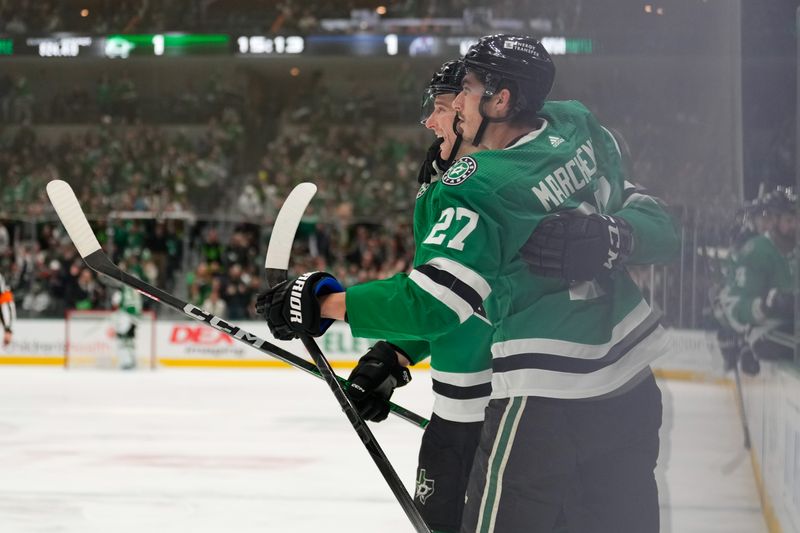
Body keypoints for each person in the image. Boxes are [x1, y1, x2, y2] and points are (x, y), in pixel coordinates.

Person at [258, 34, 679, 533]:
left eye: (458, 98)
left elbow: (439, 301)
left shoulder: (474, 184)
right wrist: (395, 352)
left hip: (532, 395)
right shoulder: (573, 125)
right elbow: (468, 287)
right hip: (625, 377)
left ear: (501, 101)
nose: (446, 113)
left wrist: (324, 302)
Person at [723, 187, 796, 372]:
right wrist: (765, 305)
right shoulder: (756, 251)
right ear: (774, 221)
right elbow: (734, 307)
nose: (796, 225)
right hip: (769, 334)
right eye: (789, 220)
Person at [0, 272, 15, 347]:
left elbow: (2, 291)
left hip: (5, 302)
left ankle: (6, 342)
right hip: (4, 301)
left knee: (8, 325)